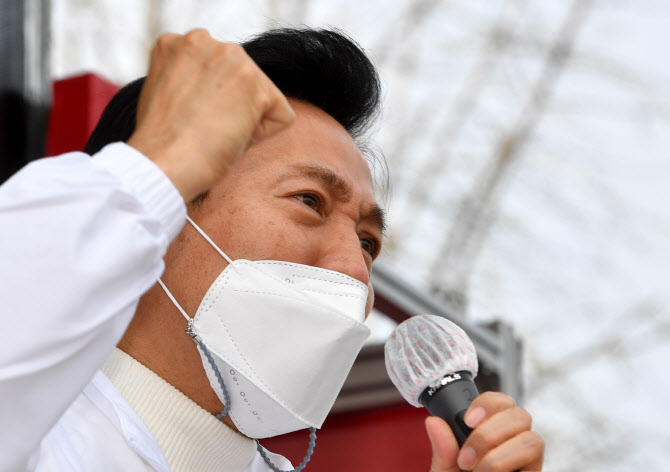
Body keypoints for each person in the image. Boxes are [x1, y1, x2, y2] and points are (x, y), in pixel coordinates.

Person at [0, 27, 544, 472]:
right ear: (165, 208)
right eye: (309, 200)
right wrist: (152, 165)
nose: (355, 271)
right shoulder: (39, 434)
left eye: (367, 242)